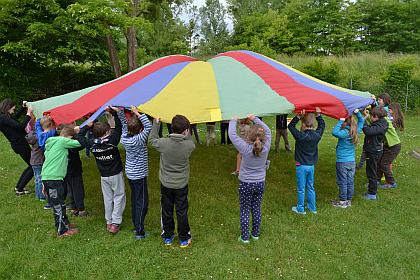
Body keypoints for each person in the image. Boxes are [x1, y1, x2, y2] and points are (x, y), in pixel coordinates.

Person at [76, 106, 126, 234]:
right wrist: (114, 113)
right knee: (119, 196)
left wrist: (88, 125)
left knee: (108, 198)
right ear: (107, 133)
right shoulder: (112, 141)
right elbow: (119, 127)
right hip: (116, 174)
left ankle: (108, 221)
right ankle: (115, 223)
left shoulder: (92, 144)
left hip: (104, 176)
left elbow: (79, 136)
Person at [149, 115, 195, 248]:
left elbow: (152, 139)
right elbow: (189, 139)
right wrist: (188, 130)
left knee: (167, 210)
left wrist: (156, 124)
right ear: (186, 131)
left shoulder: (163, 143)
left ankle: (168, 236)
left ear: (171, 128)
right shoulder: (189, 145)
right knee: (182, 211)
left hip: (166, 184)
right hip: (181, 185)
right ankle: (184, 239)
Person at [228, 115, 271, 244]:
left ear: (248, 136)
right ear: (263, 138)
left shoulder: (245, 148)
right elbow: (268, 131)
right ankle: (255, 234)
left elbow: (232, 134)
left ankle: (245, 237)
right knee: (256, 208)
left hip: (246, 183)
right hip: (260, 183)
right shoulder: (266, 147)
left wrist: (233, 120)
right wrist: (255, 119)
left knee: (245, 209)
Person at [117, 106, 152, 240]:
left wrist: (119, 111)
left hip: (130, 174)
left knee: (135, 199)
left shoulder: (124, 138)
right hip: (139, 175)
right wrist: (137, 113)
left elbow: (124, 125)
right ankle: (140, 231)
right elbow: (148, 126)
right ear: (140, 129)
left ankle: (136, 225)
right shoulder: (139, 139)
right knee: (142, 202)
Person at [41, 125, 82, 237]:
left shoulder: (51, 142)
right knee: (58, 205)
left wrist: (44, 183)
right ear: (69, 137)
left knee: (60, 202)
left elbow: (46, 162)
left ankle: (65, 223)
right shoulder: (63, 141)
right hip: (53, 179)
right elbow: (79, 143)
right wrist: (78, 133)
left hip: (49, 178)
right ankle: (62, 231)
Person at [288, 107, 325, 214]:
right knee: (310, 187)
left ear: (303, 124)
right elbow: (322, 126)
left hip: (301, 166)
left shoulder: (300, 136)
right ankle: (312, 208)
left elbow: (290, 126)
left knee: (301, 188)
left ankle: (300, 209)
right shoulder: (317, 136)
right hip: (311, 166)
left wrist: (298, 116)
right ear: (313, 124)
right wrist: (319, 115)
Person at [331, 109, 364, 208]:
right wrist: (358, 113)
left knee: (342, 182)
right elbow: (362, 121)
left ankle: (342, 202)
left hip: (342, 162)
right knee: (350, 181)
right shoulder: (356, 131)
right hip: (351, 162)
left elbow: (334, 132)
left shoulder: (345, 133)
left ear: (346, 122)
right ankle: (348, 200)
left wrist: (340, 120)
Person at [0, 99, 34, 195]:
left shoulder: (3, 117)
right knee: (33, 166)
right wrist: (28, 114)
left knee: (31, 165)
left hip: (18, 144)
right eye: (13, 108)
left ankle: (18, 188)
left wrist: (23, 108)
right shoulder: (3, 118)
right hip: (20, 144)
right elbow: (20, 127)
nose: (14, 110)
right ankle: (19, 189)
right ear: (8, 107)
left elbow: (14, 118)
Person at [362, 107, 388, 200]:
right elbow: (371, 127)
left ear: (376, 116)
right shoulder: (381, 123)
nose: (370, 118)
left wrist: (363, 121)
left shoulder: (380, 126)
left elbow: (368, 131)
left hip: (373, 151)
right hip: (375, 150)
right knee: (372, 170)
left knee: (371, 172)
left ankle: (372, 194)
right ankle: (372, 189)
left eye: (371, 116)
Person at [25, 119, 51, 209]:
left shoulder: (31, 135)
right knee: (40, 179)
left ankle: (38, 195)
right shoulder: (39, 137)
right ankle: (42, 197)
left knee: (37, 179)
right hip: (39, 160)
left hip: (33, 161)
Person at [377, 102, 404, 189]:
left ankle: (392, 183)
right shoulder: (385, 119)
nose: (388, 111)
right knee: (379, 162)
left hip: (394, 146)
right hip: (388, 145)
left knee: (384, 163)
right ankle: (377, 180)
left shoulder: (388, 120)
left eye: (389, 109)